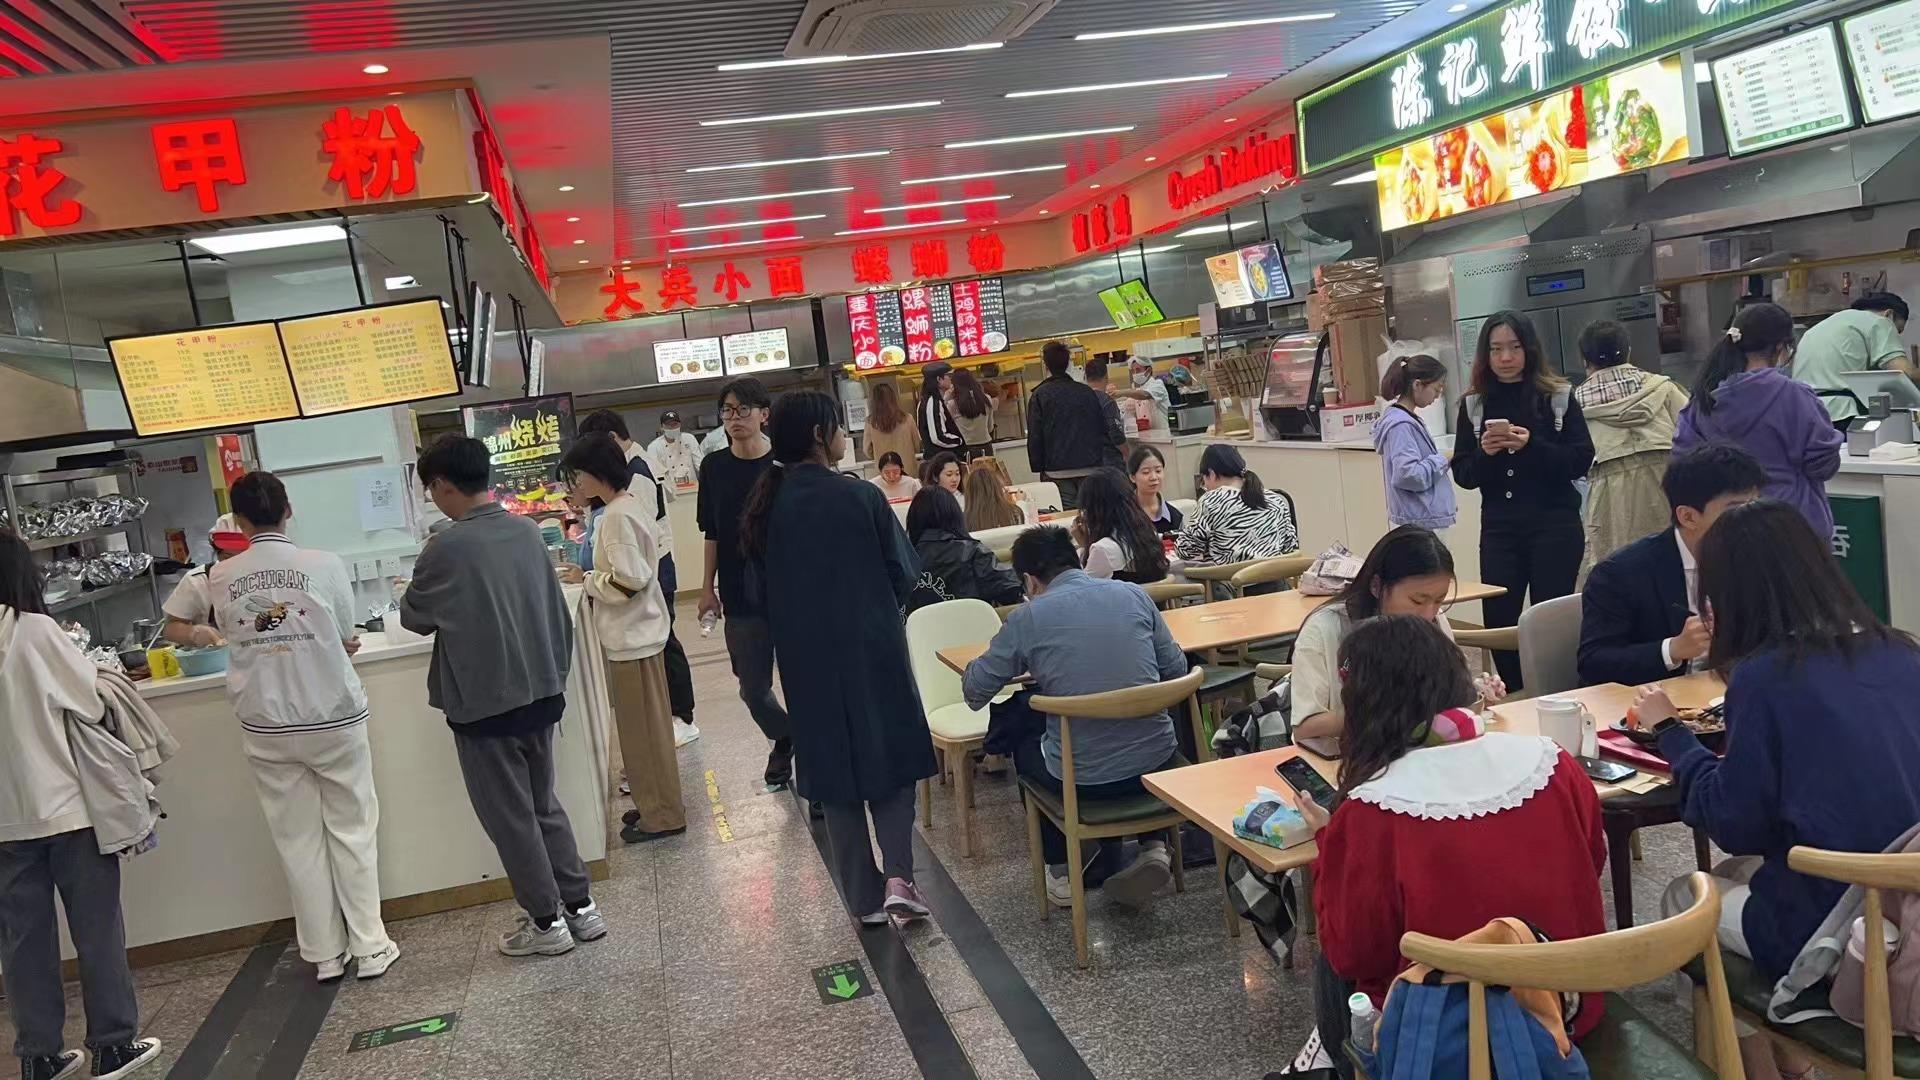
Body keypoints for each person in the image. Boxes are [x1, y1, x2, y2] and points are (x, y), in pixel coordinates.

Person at [1634, 499, 1920, 1080]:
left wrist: (1671, 733)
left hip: (1848, 925)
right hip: (1907, 898)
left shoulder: (1767, 676)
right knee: (1741, 872)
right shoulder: (1902, 650)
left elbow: (1735, 820)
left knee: (1684, 898)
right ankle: (1787, 1062)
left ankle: (1766, 1066)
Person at [1302, 615, 1607, 1060]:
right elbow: (1591, 861)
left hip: (1439, 1042)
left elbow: (1354, 954)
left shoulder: (1371, 810)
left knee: (1333, 969)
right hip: (1568, 1007)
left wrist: (1328, 848)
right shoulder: (1551, 763)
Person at [739, 391, 937, 925]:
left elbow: (755, 592)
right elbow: (906, 572)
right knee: (891, 756)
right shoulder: (860, 498)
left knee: (831, 766)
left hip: (806, 660)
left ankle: (864, 899)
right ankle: (900, 876)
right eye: (834, 426)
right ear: (818, 437)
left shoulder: (764, 505)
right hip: (873, 646)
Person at [402, 435, 602, 958]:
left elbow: (413, 617)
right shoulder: (526, 532)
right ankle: (581, 908)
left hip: (485, 703)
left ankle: (544, 923)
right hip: (541, 690)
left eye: (432, 489)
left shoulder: (445, 546)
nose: (433, 498)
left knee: (510, 817)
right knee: (544, 804)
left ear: (444, 484)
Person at [210, 472, 399, 981]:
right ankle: (370, 946)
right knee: (353, 829)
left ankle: (323, 954)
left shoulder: (222, 575)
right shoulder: (324, 564)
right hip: (332, 715)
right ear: (288, 509)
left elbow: (233, 633)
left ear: (239, 519)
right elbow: (343, 633)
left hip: (266, 724)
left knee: (297, 840)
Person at [0, 531, 162, 1080]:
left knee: (22, 944)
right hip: (69, 809)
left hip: (4, 822)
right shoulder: (35, 631)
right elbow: (89, 699)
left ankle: (39, 1057)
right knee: (96, 932)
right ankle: (113, 1045)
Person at [962, 526, 1190, 909]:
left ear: (1030, 580)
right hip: (1158, 768)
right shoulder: (1132, 595)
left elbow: (975, 691)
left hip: (1082, 781)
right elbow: (1176, 667)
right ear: (1076, 560)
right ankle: (1154, 844)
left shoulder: (1029, 617)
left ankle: (1063, 874)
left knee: (1021, 729)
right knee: (1134, 721)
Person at [1450, 310, 1595, 689]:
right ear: (1485, 355)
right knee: (1500, 616)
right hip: (1500, 530)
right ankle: (1516, 693)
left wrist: (1532, 447)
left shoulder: (1557, 397)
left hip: (1556, 525)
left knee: (1550, 618)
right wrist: (1486, 452)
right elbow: (1464, 475)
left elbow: (1581, 459)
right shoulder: (1473, 405)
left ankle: (1556, 692)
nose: (1505, 357)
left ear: (1529, 349)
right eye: (1496, 349)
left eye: (1514, 347)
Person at [557, 434, 686, 844]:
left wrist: (588, 579)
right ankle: (657, 805)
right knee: (647, 732)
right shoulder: (625, 507)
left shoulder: (614, 516)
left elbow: (630, 581)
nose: (574, 485)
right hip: (639, 637)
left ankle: (662, 815)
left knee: (642, 735)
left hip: (633, 640)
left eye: (576, 476)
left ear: (597, 473)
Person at [1577, 443, 1765, 688]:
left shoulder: (1757, 560)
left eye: (1755, 505)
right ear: (1688, 516)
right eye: (1737, 509)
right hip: (1651, 708)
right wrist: (1672, 649)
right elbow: (1594, 663)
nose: (1751, 520)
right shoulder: (1621, 573)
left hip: (1732, 699)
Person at [577, 409, 699, 747]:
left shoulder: (637, 475)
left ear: (612, 440)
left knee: (666, 643)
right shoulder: (630, 473)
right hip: (646, 569)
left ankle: (683, 716)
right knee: (663, 643)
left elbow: (636, 539)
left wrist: (593, 578)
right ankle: (672, 718)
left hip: (655, 567)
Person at [1675, 302, 1845, 540]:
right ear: (1780, 347)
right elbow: (1823, 463)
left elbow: (1683, 462)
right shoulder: (1793, 395)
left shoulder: (1703, 399)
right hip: (1794, 525)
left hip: (1726, 530)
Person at [697, 377, 793, 792]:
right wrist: (706, 588)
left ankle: (821, 772)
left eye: (743, 410)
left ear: (764, 414)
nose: (734, 418)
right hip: (739, 594)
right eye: (727, 411)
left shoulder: (786, 463)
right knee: (753, 689)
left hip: (791, 592)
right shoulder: (714, 467)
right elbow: (712, 531)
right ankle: (787, 736)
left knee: (804, 682)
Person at [1289, 526, 1462, 746]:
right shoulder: (1325, 630)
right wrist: (1389, 713)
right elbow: (1306, 728)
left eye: (1439, 600)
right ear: (1377, 586)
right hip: (1347, 757)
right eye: (1417, 601)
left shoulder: (1435, 621)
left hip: (1416, 753)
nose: (1429, 614)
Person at [1575, 319, 1689, 575]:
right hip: (1666, 490)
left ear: (1585, 361)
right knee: (1671, 572)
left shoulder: (1574, 405)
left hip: (1607, 502)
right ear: (1628, 352)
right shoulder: (1664, 388)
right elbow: (1697, 437)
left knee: (1617, 578)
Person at [1790, 291, 1915, 427]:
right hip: (1840, 414)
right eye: (1898, 329)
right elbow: (1905, 373)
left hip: (1801, 414)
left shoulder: (1820, 327)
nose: (1897, 335)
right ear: (1889, 314)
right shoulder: (1880, 322)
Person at [1026, 341, 1120, 509]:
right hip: (1090, 467)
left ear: (1046, 365)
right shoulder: (1086, 392)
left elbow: (1035, 435)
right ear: (1069, 363)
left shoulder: (1040, 395)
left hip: (1056, 470)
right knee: (1094, 515)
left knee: (1068, 519)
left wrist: (1039, 467)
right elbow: (1101, 428)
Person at [1174, 444, 1300, 567]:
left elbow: (1186, 550)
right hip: (1278, 582)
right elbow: (1290, 546)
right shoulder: (1275, 499)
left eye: (1204, 481)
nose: (1205, 486)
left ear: (1211, 474)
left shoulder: (1210, 500)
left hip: (1231, 585)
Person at [1372, 347, 1456, 531]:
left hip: (1420, 519)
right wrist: (1444, 458)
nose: (1437, 396)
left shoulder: (1404, 420)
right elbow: (1408, 475)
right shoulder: (1401, 425)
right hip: (1419, 522)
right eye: (1436, 388)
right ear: (1418, 385)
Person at [905, 487, 1023, 608]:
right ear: (954, 516)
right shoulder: (971, 552)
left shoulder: (904, 557)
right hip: (972, 623)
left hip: (920, 626)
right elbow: (1010, 588)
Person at [159, 514, 250, 647]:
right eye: (227, 557)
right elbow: (170, 629)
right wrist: (193, 633)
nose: (235, 565)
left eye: (244, 556)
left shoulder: (271, 575)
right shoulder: (199, 580)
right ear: (216, 553)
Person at [1071, 467, 1168, 583]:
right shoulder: (1149, 534)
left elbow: (1082, 588)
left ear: (1094, 509)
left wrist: (1083, 546)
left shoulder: (1102, 549)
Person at [861, 381, 920, 474]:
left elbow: (867, 451)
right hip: (907, 471)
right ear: (893, 398)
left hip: (884, 472)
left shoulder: (870, 423)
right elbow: (917, 445)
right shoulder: (908, 418)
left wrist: (877, 454)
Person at [1081, 357, 1129, 470]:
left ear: (1085, 377)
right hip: (1109, 462)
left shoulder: (1078, 400)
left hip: (1086, 462)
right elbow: (1115, 432)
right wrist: (1127, 453)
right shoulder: (1106, 401)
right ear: (1106, 377)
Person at [1128, 445, 1183, 535]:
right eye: (1146, 472)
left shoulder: (1175, 516)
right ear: (1132, 477)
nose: (1154, 477)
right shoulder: (1124, 515)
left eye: (1158, 471)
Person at [645, 409, 704, 490]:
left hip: (692, 486)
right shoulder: (654, 447)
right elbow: (656, 474)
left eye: (675, 424)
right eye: (669, 425)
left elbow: (700, 464)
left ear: (680, 424)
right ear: (662, 427)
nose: (673, 427)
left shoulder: (689, 439)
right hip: (670, 490)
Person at [918, 361, 964, 459]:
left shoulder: (926, 400)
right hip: (939, 460)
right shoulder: (933, 402)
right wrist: (959, 440)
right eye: (947, 375)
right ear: (939, 379)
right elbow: (938, 437)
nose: (950, 379)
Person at [962, 460, 1025, 532]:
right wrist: (1020, 502)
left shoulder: (963, 521)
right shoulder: (1015, 513)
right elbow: (1025, 530)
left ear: (969, 493)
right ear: (997, 488)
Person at [948, 368, 997, 458]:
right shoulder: (986, 399)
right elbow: (990, 427)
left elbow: (949, 429)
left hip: (965, 449)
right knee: (987, 472)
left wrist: (947, 397)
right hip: (986, 447)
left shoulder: (952, 404)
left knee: (967, 472)